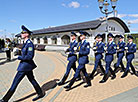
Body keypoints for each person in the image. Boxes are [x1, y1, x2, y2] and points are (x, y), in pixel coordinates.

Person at [0, 25, 45, 102]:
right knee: (32, 80)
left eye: (23, 33)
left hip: (24, 66)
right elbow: (25, 53)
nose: (21, 34)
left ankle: (5, 99)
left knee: (15, 83)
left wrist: (18, 57)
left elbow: (30, 56)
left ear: (27, 34)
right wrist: (19, 52)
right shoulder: (26, 43)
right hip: (27, 66)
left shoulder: (30, 44)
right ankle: (40, 93)